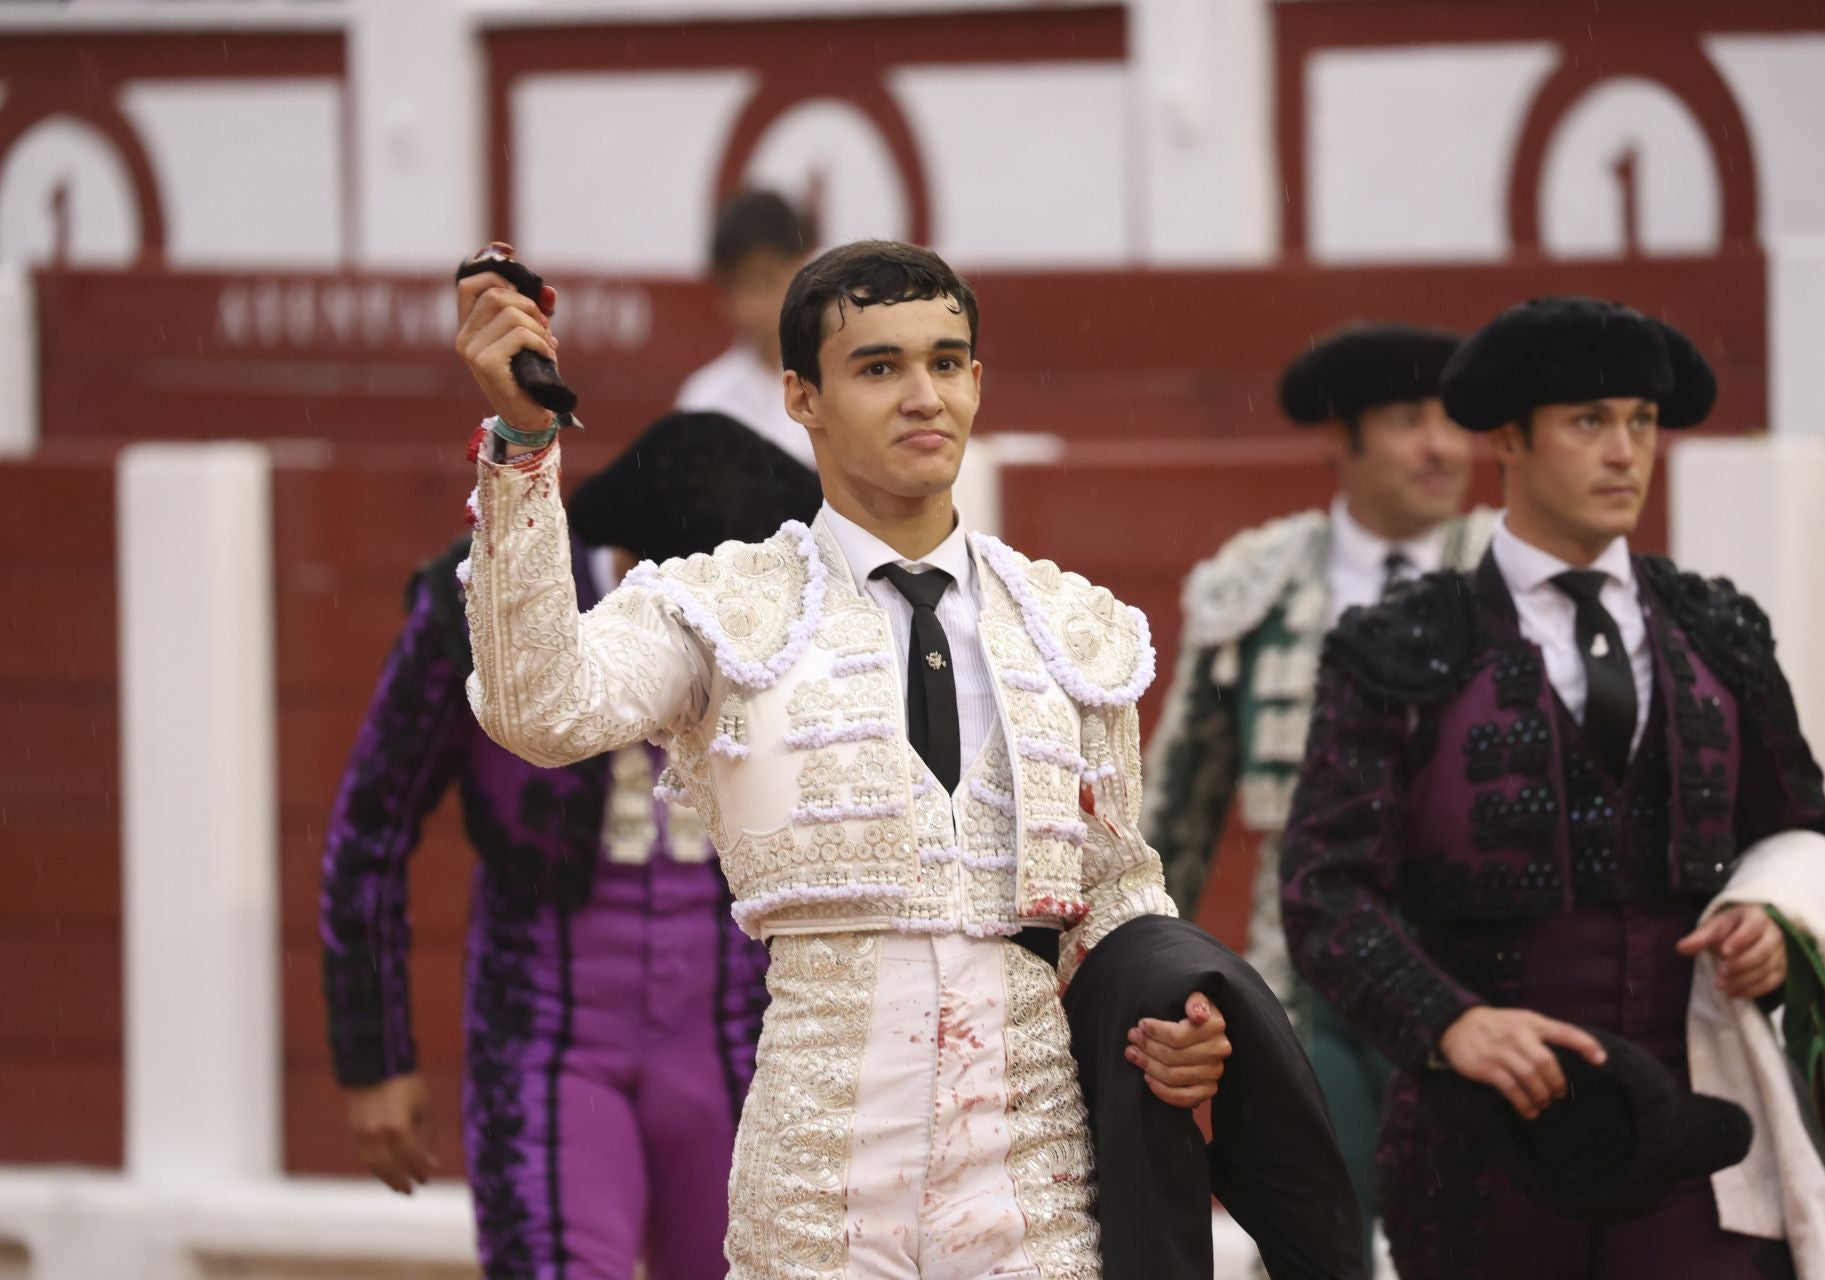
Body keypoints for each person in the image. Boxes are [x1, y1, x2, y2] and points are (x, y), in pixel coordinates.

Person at [453, 238, 1234, 1277]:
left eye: (947, 362)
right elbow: (538, 707)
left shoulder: (1068, 626)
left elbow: (1120, 895)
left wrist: (1173, 1019)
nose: (925, 396)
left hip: (1033, 1178)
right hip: (815, 1187)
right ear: (800, 396)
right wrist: (523, 442)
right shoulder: (729, 607)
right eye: (879, 367)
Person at [1280, 296, 1825, 1278]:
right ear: (1508, 436)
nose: (1626, 451)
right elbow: (1323, 890)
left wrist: (1782, 922)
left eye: (1640, 421)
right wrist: (1449, 1019)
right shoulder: (1402, 644)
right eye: (1590, 421)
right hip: (1482, 1148)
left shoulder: (1720, 629)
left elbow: (1809, 835)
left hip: (1704, 1131)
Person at [320, 410, 819, 1280]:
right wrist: (376, 1055)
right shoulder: (479, 605)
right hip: (548, 1036)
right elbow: (371, 828)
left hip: (743, 1029)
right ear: (626, 563)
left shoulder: (799, 619)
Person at [1142, 322, 1490, 1269]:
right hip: (1301, 967)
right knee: (1312, 1221)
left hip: (1475, 958)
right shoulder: (1256, 585)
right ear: (1341, 438)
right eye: (1411, 421)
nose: (1443, 447)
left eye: (1455, 422)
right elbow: (1174, 813)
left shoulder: (1509, 575)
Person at [675, 188, 816, 464]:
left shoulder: (841, 382)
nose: (751, 306)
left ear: (802, 268)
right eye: (737, 287)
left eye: (766, 280)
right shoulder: (705, 399)